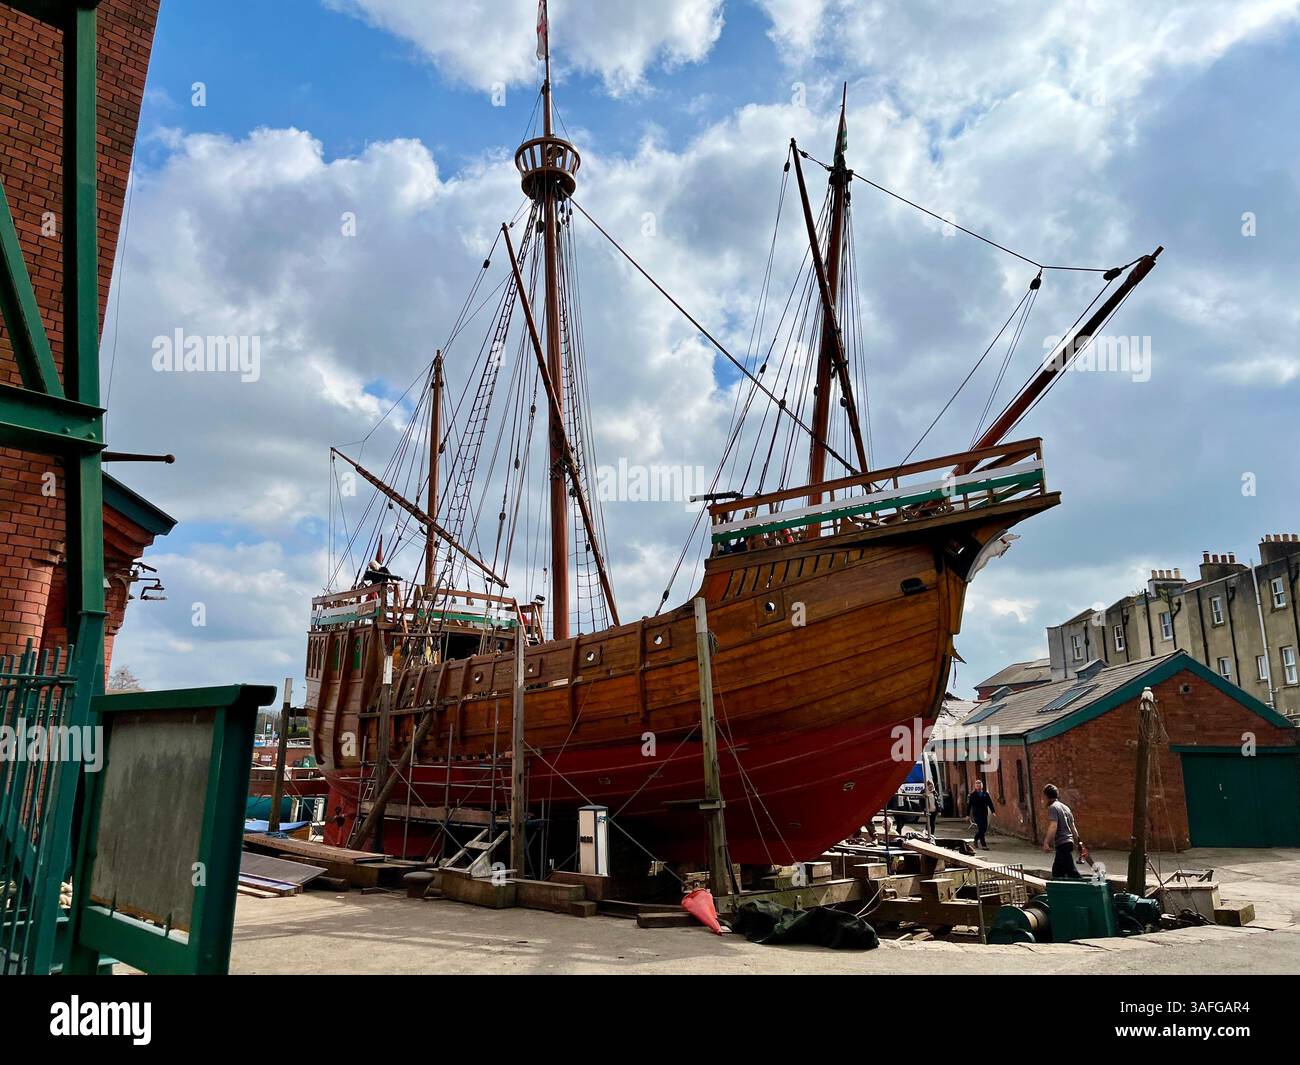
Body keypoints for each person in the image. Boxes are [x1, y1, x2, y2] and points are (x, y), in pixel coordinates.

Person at [1041, 783, 1082, 879]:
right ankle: (1061, 891)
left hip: (1062, 843)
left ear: (1046, 796)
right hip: (1068, 843)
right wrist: (1078, 842)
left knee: (1071, 872)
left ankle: (1087, 890)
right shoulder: (1065, 807)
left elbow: (1053, 826)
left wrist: (1046, 842)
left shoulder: (1053, 807)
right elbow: (1073, 827)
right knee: (1058, 872)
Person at [967, 779, 995, 849]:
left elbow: (990, 803)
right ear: (975, 787)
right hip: (976, 814)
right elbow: (969, 805)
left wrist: (993, 811)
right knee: (981, 828)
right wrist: (967, 815)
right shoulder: (972, 795)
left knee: (984, 828)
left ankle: (976, 839)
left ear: (982, 786)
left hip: (984, 813)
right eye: (977, 786)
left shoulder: (985, 794)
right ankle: (984, 845)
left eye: (980, 786)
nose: (978, 787)